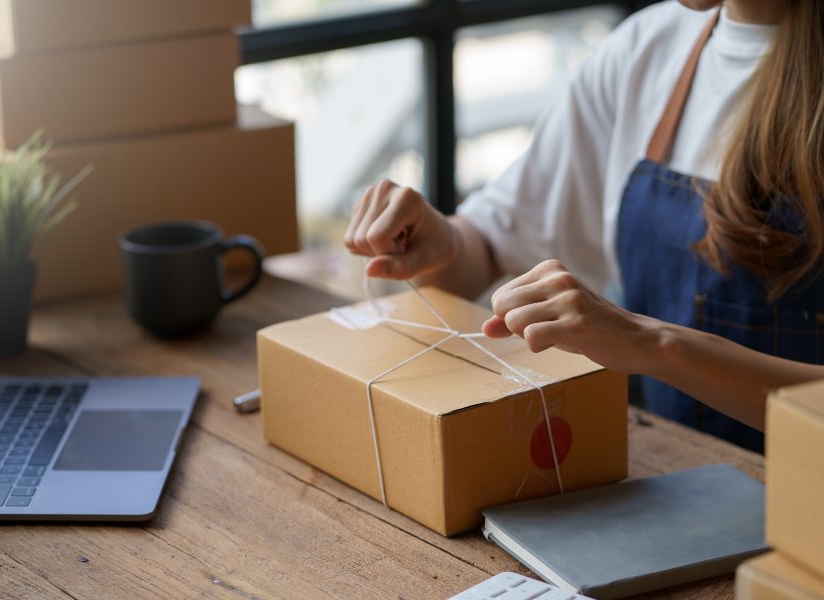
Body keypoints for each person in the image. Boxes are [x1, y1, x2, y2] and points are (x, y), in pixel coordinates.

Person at [344, 0, 824, 452]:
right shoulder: (650, 50)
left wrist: (655, 344)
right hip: (681, 478)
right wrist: (444, 242)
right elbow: (489, 252)